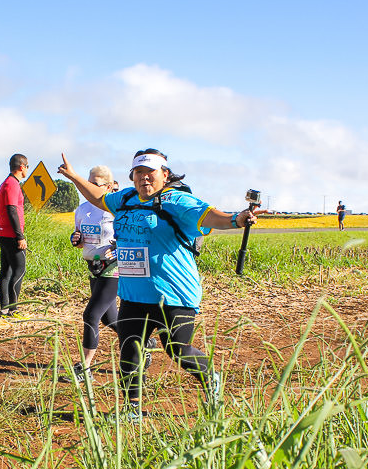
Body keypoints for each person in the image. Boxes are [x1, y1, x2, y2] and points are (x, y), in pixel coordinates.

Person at [57, 148, 263, 419]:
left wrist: (236, 219)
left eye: (150, 173)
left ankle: (211, 377)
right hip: (134, 294)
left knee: (178, 350)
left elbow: (211, 216)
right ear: (132, 177)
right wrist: (73, 177)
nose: (144, 178)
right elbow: (99, 198)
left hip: (174, 293)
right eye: (138, 173)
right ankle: (131, 409)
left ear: (164, 175)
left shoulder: (177, 201)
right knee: (129, 346)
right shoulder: (125, 199)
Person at [66, 165, 156, 383]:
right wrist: (76, 239)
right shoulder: (82, 209)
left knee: (90, 315)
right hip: (93, 267)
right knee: (110, 319)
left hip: (113, 268)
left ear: (107, 187)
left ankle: (84, 368)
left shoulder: (115, 208)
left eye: (93, 183)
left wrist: (117, 247)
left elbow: (128, 235)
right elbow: (80, 238)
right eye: (87, 181)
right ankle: (143, 345)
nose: (87, 186)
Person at [0, 153, 28, 317]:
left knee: (6, 272)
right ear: (22, 167)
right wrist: (19, 236)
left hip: (3, 233)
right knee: (19, 270)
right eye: (27, 167)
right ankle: (13, 309)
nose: (27, 170)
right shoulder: (12, 184)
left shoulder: (5, 183)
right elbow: (12, 210)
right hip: (10, 235)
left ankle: (5, 308)